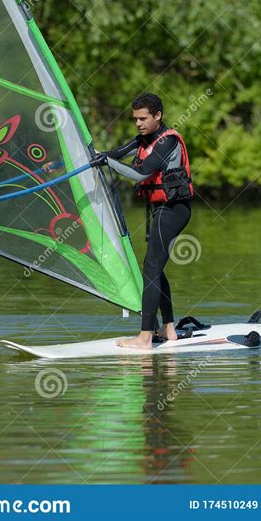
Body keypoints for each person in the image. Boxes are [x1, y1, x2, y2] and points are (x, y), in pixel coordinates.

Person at [93, 92, 193, 350]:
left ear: (158, 116)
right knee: (155, 268)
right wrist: (74, 159)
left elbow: (141, 174)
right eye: (135, 119)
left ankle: (145, 337)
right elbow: (112, 154)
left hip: (174, 210)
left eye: (143, 118)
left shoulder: (166, 142)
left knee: (150, 269)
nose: (138, 123)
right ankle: (168, 328)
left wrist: (107, 162)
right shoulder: (142, 140)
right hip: (160, 210)